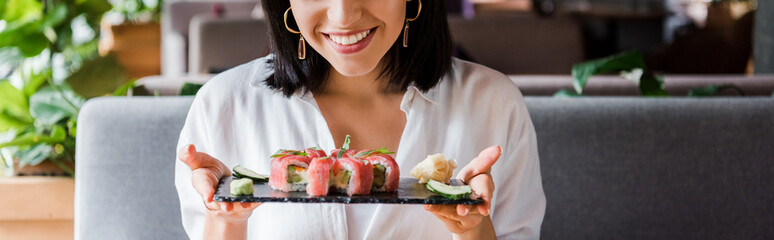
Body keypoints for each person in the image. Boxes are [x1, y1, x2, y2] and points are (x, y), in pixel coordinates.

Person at [175, 0, 546, 239]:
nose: (344, 14)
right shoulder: (222, 106)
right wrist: (226, 218)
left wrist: (473, 228)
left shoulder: (494, 104)